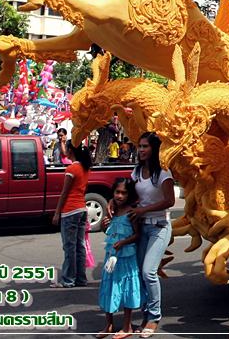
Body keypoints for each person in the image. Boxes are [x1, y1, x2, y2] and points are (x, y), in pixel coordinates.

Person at [128, 131, 175, 337]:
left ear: (154, 149)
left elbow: (170, 201)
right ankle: (146, 314)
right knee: (139, 273)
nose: (141, 150)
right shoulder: (136, 172)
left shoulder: (163, 173)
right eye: (139, 146)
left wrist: (143, 210)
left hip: (160, 227)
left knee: (149, 272)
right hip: (140, 228)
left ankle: (154, 317)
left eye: (145, 146)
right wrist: (114, 204)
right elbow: (129, 196)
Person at [96, 178, 142, 339]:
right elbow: (108, 231)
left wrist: (123, 242)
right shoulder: (112, 210)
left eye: (124, 193)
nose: (120, 196)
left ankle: (127, 326)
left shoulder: (131, 212)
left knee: (126, 289)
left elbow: (137, 235)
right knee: (108, 288)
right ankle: (108, 325)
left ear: (129, 195)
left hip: (126, 257)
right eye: (117, 192)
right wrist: (104, 225)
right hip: (111, 257)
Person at [53, 143, 92, 288]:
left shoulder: (71, 169)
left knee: (69, 246)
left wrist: (57, 212)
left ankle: (68, 279)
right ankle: (81, 278)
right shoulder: (85, 167)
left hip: (70, 210)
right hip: (81, 208)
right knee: (79, 246)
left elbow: (65, 193)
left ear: (70, 151)